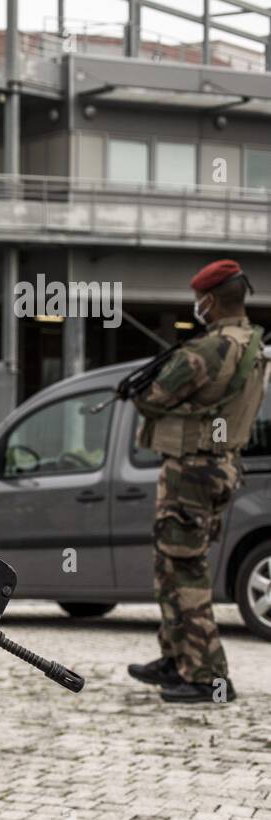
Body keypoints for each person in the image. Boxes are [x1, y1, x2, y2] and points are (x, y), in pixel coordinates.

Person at [127, 259, 266, 704]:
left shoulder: (207, 351)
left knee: (184, 570)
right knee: (172, 565)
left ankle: (209, 678)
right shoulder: (252, 344)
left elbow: (151, 397)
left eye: (199, 300)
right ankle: (177, 657)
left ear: (208, 301)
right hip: (218, 467)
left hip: (193, 471)